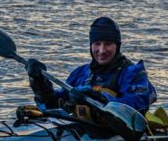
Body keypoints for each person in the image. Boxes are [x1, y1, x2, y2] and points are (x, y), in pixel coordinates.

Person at [25, 16, 156, 120]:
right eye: (97, 44)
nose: (102, 50)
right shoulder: (81, 73)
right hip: (82, 133)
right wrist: (39, 82)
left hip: (116, 136)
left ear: (117, 46)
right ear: (90, 45)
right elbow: (51, 103)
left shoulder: (134, 73)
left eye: (108, 44)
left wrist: (100, 99)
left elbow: (136, 106)